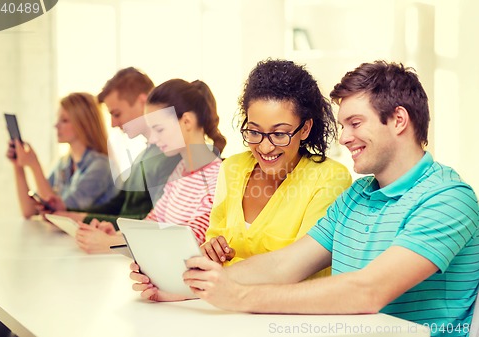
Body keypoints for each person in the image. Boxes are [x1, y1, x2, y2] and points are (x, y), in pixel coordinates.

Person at [131, 61, 479, 335]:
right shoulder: (357, 197)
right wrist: (185, 287)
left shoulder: (447, 199)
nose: (344, 138)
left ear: (399, 120)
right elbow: (282, 265)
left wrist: (238, 297)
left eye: (355, 123)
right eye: (343, 125)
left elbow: (368, 291)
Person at [201, 59, 351, 267]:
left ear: (305, 129)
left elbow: (295, 268)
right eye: (254, 131)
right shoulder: (232, 168)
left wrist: (217, 273)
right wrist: (209, 252)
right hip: (219, 299)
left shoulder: (330, 179)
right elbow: (212, 244)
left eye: (279, 134)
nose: (264, 147)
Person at [76, 79, 226, 252]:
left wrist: (109, 244)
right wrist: (116, 235)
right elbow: (153, 223)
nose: (153, 139)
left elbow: (186, 242)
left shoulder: (217, 180)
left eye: (159, 130)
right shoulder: (180, 171)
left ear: (186, 122)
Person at [56, 67, 180, 228]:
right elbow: (118, 205)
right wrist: (71, 214)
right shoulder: (144, 156)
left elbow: (155, 222)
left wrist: (79, 218)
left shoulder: (170, 156)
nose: (113, 124)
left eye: (116, 114)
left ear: (143, 102)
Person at [7, 92, 117, 218]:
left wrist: (34, 166)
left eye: (64, 120)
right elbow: (29, 211)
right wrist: (18, 165)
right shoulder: (65, 163)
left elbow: (58, 214)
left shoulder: (101, 166)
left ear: (83, 124)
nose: (56, 126)